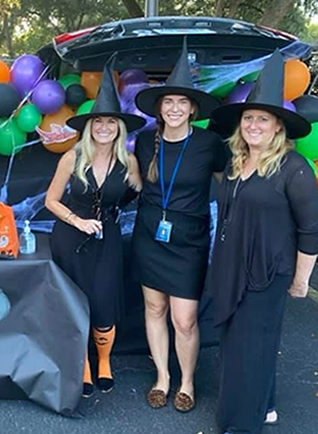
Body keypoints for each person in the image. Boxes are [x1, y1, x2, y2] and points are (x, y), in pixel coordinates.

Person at [201, 51, 318, 434]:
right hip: (233, 267)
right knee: (252, 342)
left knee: (247, 347)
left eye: (263, 119)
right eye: (248, 117)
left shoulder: (294, 168)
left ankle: (242, 433)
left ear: (278, 126)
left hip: (268, 272)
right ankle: (263, 406)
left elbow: (311, 228)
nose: (253, 124)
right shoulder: (236, 163)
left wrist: (301, 280)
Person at [132, 38, 225, 412]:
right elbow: (133, 183)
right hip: (149, 234)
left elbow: (231, 183)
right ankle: (163, 378)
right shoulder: (143, 142)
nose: (174, 108)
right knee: (153, 309)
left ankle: (187, 381)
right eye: (168, 102)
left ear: (192, 109)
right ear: (160, 108)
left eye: (181, 102)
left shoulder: (208, 144)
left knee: (184, 319)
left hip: (189, 239)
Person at [46, 53, 146, 398]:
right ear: (89, 126)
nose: (104, 127)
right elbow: (51, 201)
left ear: (119, 127)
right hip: (70, 239)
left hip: (108, 241)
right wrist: (77, 220)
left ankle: (104, 360)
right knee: (76, 304)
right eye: (98, 122)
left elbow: (139, 192)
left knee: (104, 305)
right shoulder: (71, 158)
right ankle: (84, 365)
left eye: (111, 122)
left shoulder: (129, 161)